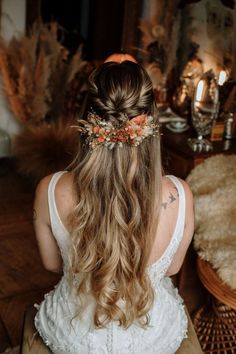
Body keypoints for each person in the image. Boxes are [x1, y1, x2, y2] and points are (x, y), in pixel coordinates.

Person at [33, 60, 194, 354]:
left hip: (75, 338)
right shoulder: (180, 195)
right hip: (153, 339)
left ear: (86, 120)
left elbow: (52, 264)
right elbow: (172, 268)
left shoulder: (49, 189)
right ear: (150, 123)